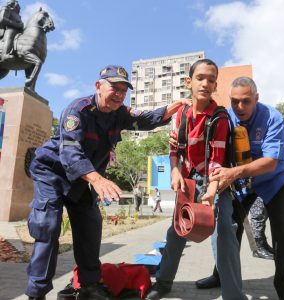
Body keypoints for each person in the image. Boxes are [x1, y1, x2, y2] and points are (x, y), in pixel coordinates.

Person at [25, 64, 189, 300]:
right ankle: (36, 293)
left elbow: (145, 119)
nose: (119, 95)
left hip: (82, 179)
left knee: (91, 224)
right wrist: (97, 179)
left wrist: (174, 107)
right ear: (98, 86)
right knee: (48, 226)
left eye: (124, 91)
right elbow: (70, 153)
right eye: (114, 88)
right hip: (52, 172)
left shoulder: (119, 113)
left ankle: (89, 286)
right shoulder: (77, 110)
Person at [145, 59, 247, 300]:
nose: (205, 83)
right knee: (177, 231)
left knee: (223, 231)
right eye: (200, 78)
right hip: (188, 181)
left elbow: (218, 160)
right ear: (188, 82)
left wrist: (211, 191)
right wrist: (175, 170)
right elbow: (174, 150)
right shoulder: (181, 114)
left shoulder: (220, 118)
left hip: (216, 180)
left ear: (215, 86)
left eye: (211, 80)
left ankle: (234, 294)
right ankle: (163, 282)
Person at [196, 77, 284, 299]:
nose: (240, 107)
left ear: (256, 99)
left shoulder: (273, 117)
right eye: (235, 101)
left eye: (246, 101)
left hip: (273, 180)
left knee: (281, 229)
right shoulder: (225, 118)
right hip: (242, 183)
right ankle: (222, 275)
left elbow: (271, 162)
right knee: (229, 228)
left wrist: (233, 173)